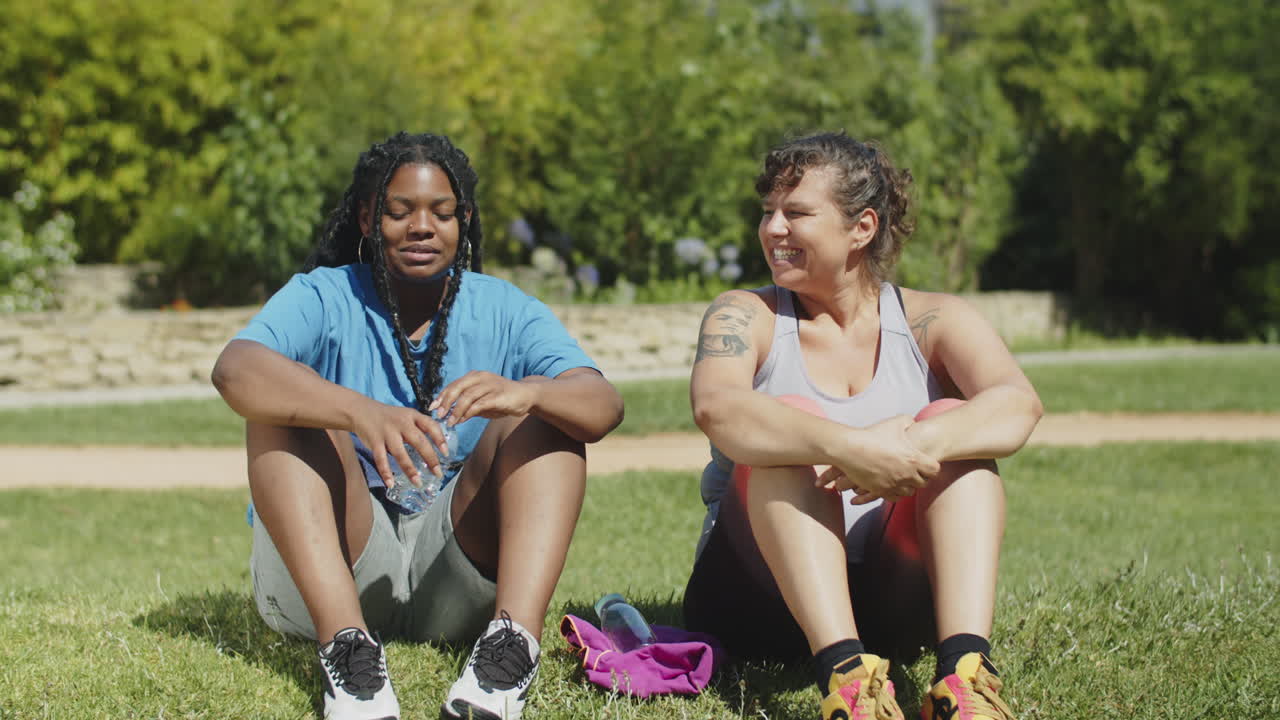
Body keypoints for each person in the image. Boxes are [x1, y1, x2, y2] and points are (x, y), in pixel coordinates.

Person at [212, 131, 623, 720]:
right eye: (398, 211)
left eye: (442, 212)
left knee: (551, 415)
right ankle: (348, 659)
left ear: (466, 220)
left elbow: (602, 405)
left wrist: (527, 391)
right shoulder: (324, 296)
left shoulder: (506, 308)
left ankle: (509, 652)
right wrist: (357, 411)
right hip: (335, 567)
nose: (422, 227)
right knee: (283, 403)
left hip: (453, 576)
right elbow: (236, 370)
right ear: (366, 218)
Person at [682, 132, 1042, 720]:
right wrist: (852, 448)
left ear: (863, 228)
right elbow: (717, 409)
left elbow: (1018, 405)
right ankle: (847, 679)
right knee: (790, 423)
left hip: (892, 606)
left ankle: (966, 676)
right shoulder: (745, 313)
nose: (773, 229)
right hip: (752, 600)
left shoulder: (935, 320)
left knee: (955, 423)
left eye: (796, 213)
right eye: (768, 213)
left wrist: (916, 442)